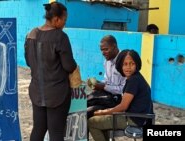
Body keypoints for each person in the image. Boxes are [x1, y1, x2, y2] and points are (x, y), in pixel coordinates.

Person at [24, 2, 77, 141]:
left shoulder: (31, 34)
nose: (64, 24)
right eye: (64, 20)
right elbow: (69, 66)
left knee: (38, 129)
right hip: (57, 94)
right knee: (56, 132)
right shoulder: (60, 36)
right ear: (56, 19)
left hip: (37, 92)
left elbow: (29, 62)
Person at [88, 49, 154, 141]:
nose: (128, 67)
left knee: (92, 122)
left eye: (132, 64)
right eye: (125, 64)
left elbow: (123, 106)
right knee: (103, 120)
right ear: (120, 66)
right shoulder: (136, 77)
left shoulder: (133, 81)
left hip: (134, 120)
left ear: (137, 64)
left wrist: (102, 112)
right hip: (140, 118)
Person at [87, 35, 126, 119]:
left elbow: (123, 89)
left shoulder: (124, 62)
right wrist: (97, 84)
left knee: (89, 111)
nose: (103, 52)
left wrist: (104, 87)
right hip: (108, 95)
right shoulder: (107, 61)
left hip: (118, 100)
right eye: (101, 50)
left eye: (106, 49)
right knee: (84, 102)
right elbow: (107, 81)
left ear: (114, 47)